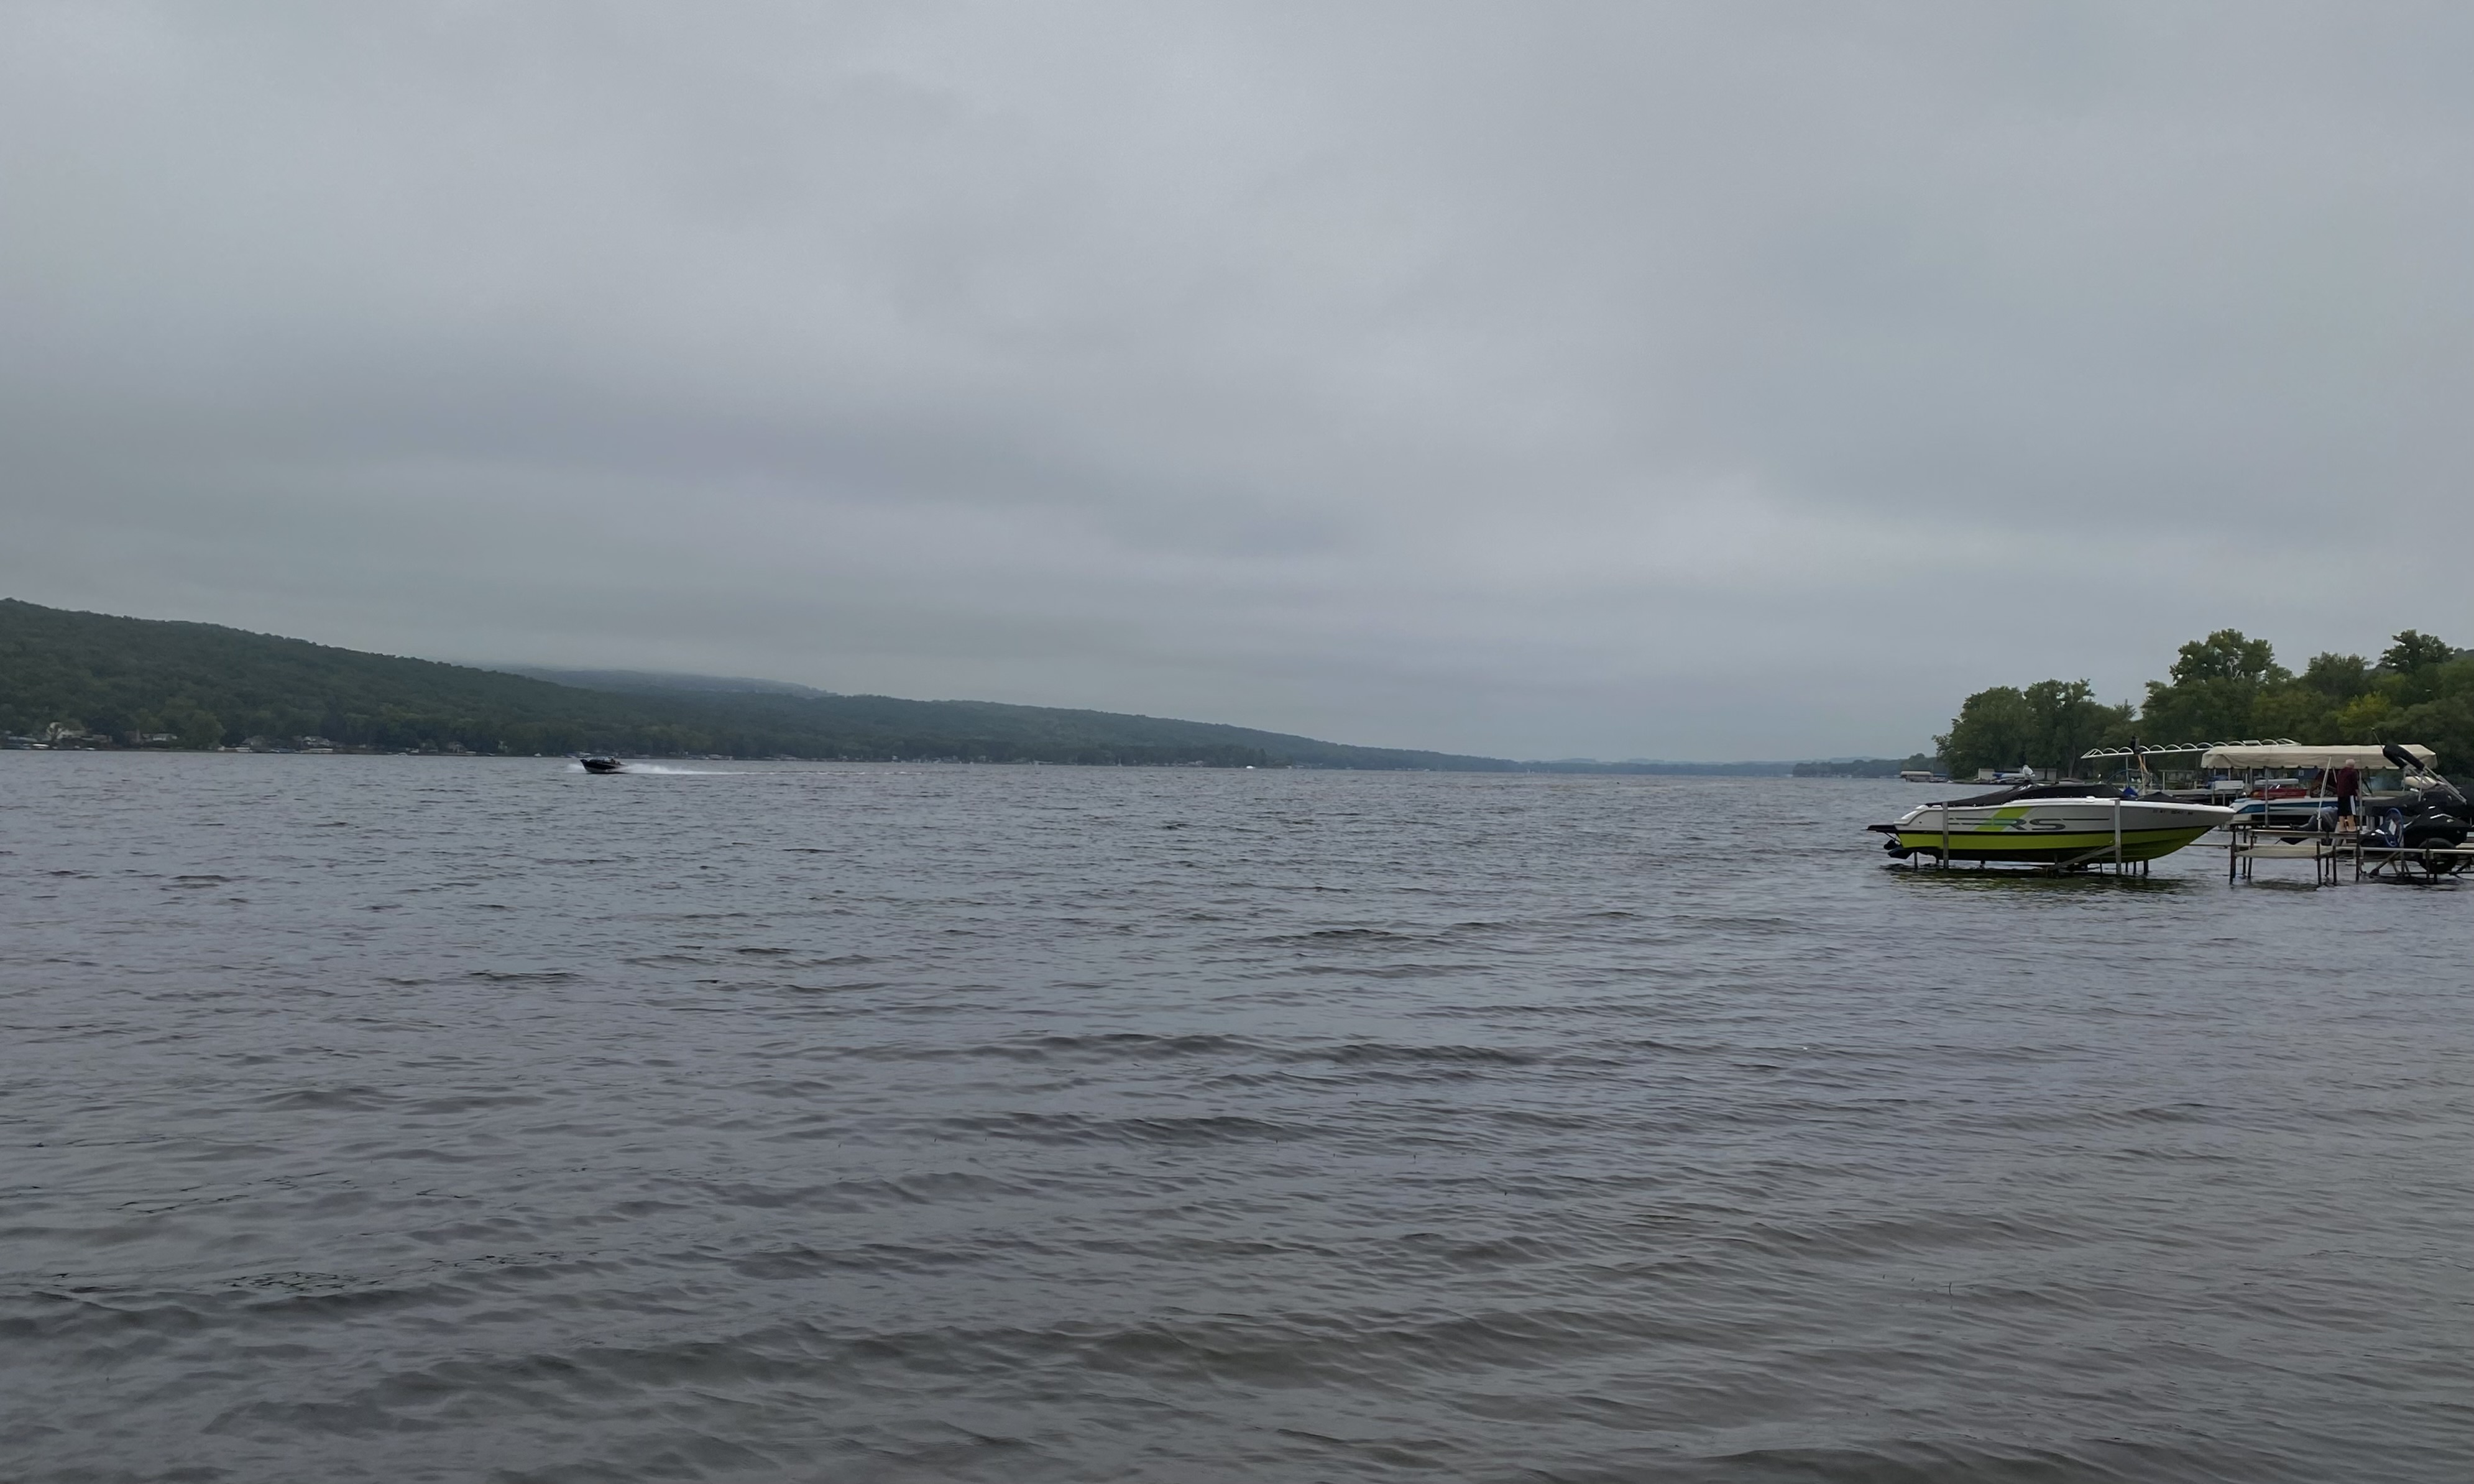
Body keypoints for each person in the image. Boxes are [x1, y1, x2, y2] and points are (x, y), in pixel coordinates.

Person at [2330, 759, 2361, 833]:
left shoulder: (2340, 772)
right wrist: (2358, 794)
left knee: (2341, 812)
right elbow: (2355, 784)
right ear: (2353, 765)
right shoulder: (2352, 772)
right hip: (2349, 794)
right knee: (2350, 811)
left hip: (2340, 794)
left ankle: (2342, 827)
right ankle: (2351, 827)